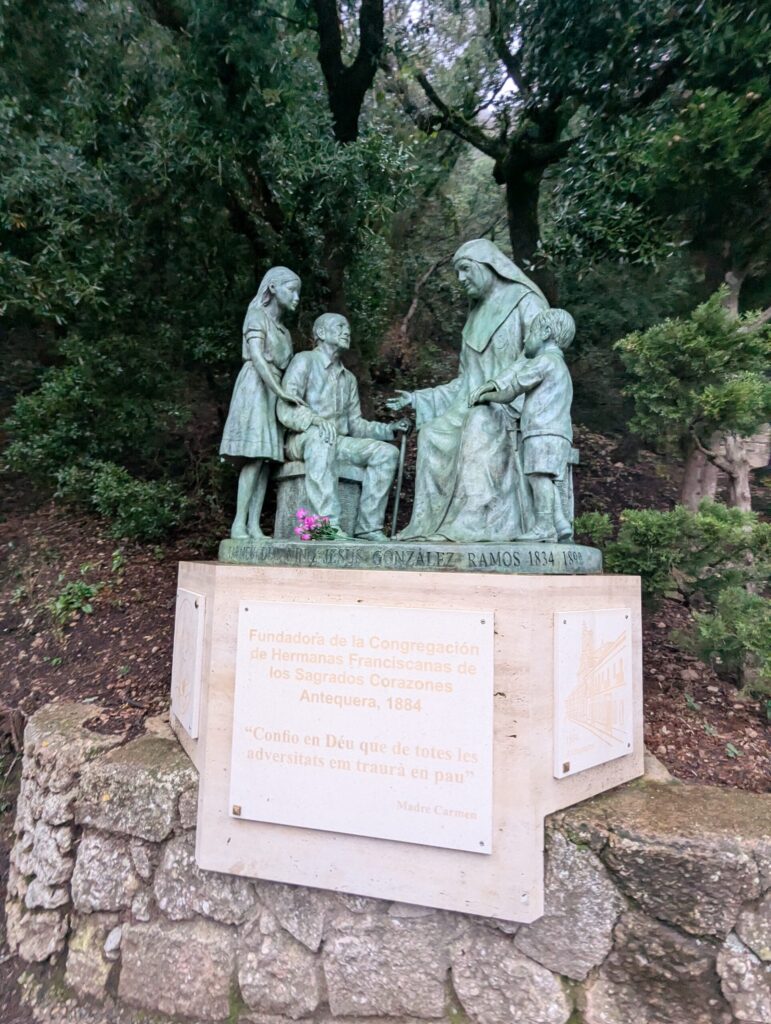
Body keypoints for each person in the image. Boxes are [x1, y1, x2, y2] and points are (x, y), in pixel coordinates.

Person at [386, 239, 548, 542]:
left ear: (487, 265)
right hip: (474, 400)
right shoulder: (473, 317)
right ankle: (425, 525)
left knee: (479, 420)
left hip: (512, 404)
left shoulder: (527, 302)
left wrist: (501, 389)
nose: (461, 280)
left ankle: (475, 517)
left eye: (465, 269)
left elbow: (542, 358)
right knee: (432, 433)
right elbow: (465, 381)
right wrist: (419, 398)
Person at [278, 314, 410, 541]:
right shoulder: (304, 361)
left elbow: (355, 424)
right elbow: (285, 406)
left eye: (348, 327)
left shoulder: (348, 378)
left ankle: (368, 527)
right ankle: (324, 524)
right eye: (340, 326)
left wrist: (389, 430)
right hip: (302, 438)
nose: (346, 331)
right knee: (322, 438)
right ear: (320, 333)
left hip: (338, 441)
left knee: (387, 453)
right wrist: (314, 420)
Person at [469, 308, 576, 543]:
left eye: (530, 333)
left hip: (542, 431)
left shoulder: (545, 362)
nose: (526, 339)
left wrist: (486, 396)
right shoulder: (560, 367)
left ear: (546, 332)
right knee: (546, 478)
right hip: (558, 433)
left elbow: (512, 390)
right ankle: (560, 523)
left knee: (538, 478)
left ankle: (544, 527)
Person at [220, 267, 305, 540]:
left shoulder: (285, 332)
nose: (296, 297)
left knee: (266, 461)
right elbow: (257, 357)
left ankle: (254, 525)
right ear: (272, 288)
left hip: (274, 391)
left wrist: (285, 393)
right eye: (291, 290)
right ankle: (238, 524)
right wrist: (280, 392)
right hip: (256, 387)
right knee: (254, 458)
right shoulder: (256, 316)